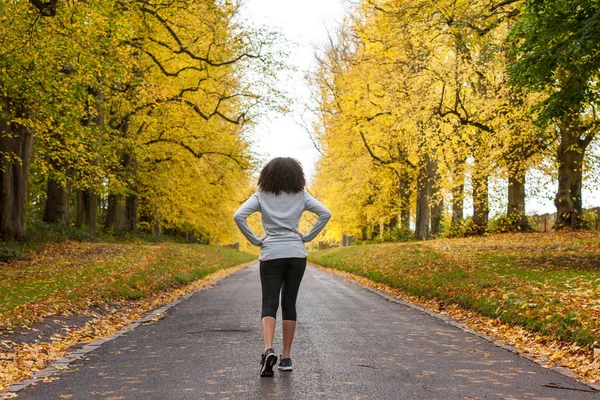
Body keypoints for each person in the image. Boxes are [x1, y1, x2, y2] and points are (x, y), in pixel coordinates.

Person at [233, 157, 331, 377]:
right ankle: (286, 357)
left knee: (269, 302)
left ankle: (268, 349)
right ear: (297, 175)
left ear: (268, 175)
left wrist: (256, 241)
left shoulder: (261, 196)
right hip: (296, 254)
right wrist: (307, 236)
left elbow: (239, 216)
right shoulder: (301, 196)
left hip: (271, 254)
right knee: (289, 303)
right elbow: (326, 213)